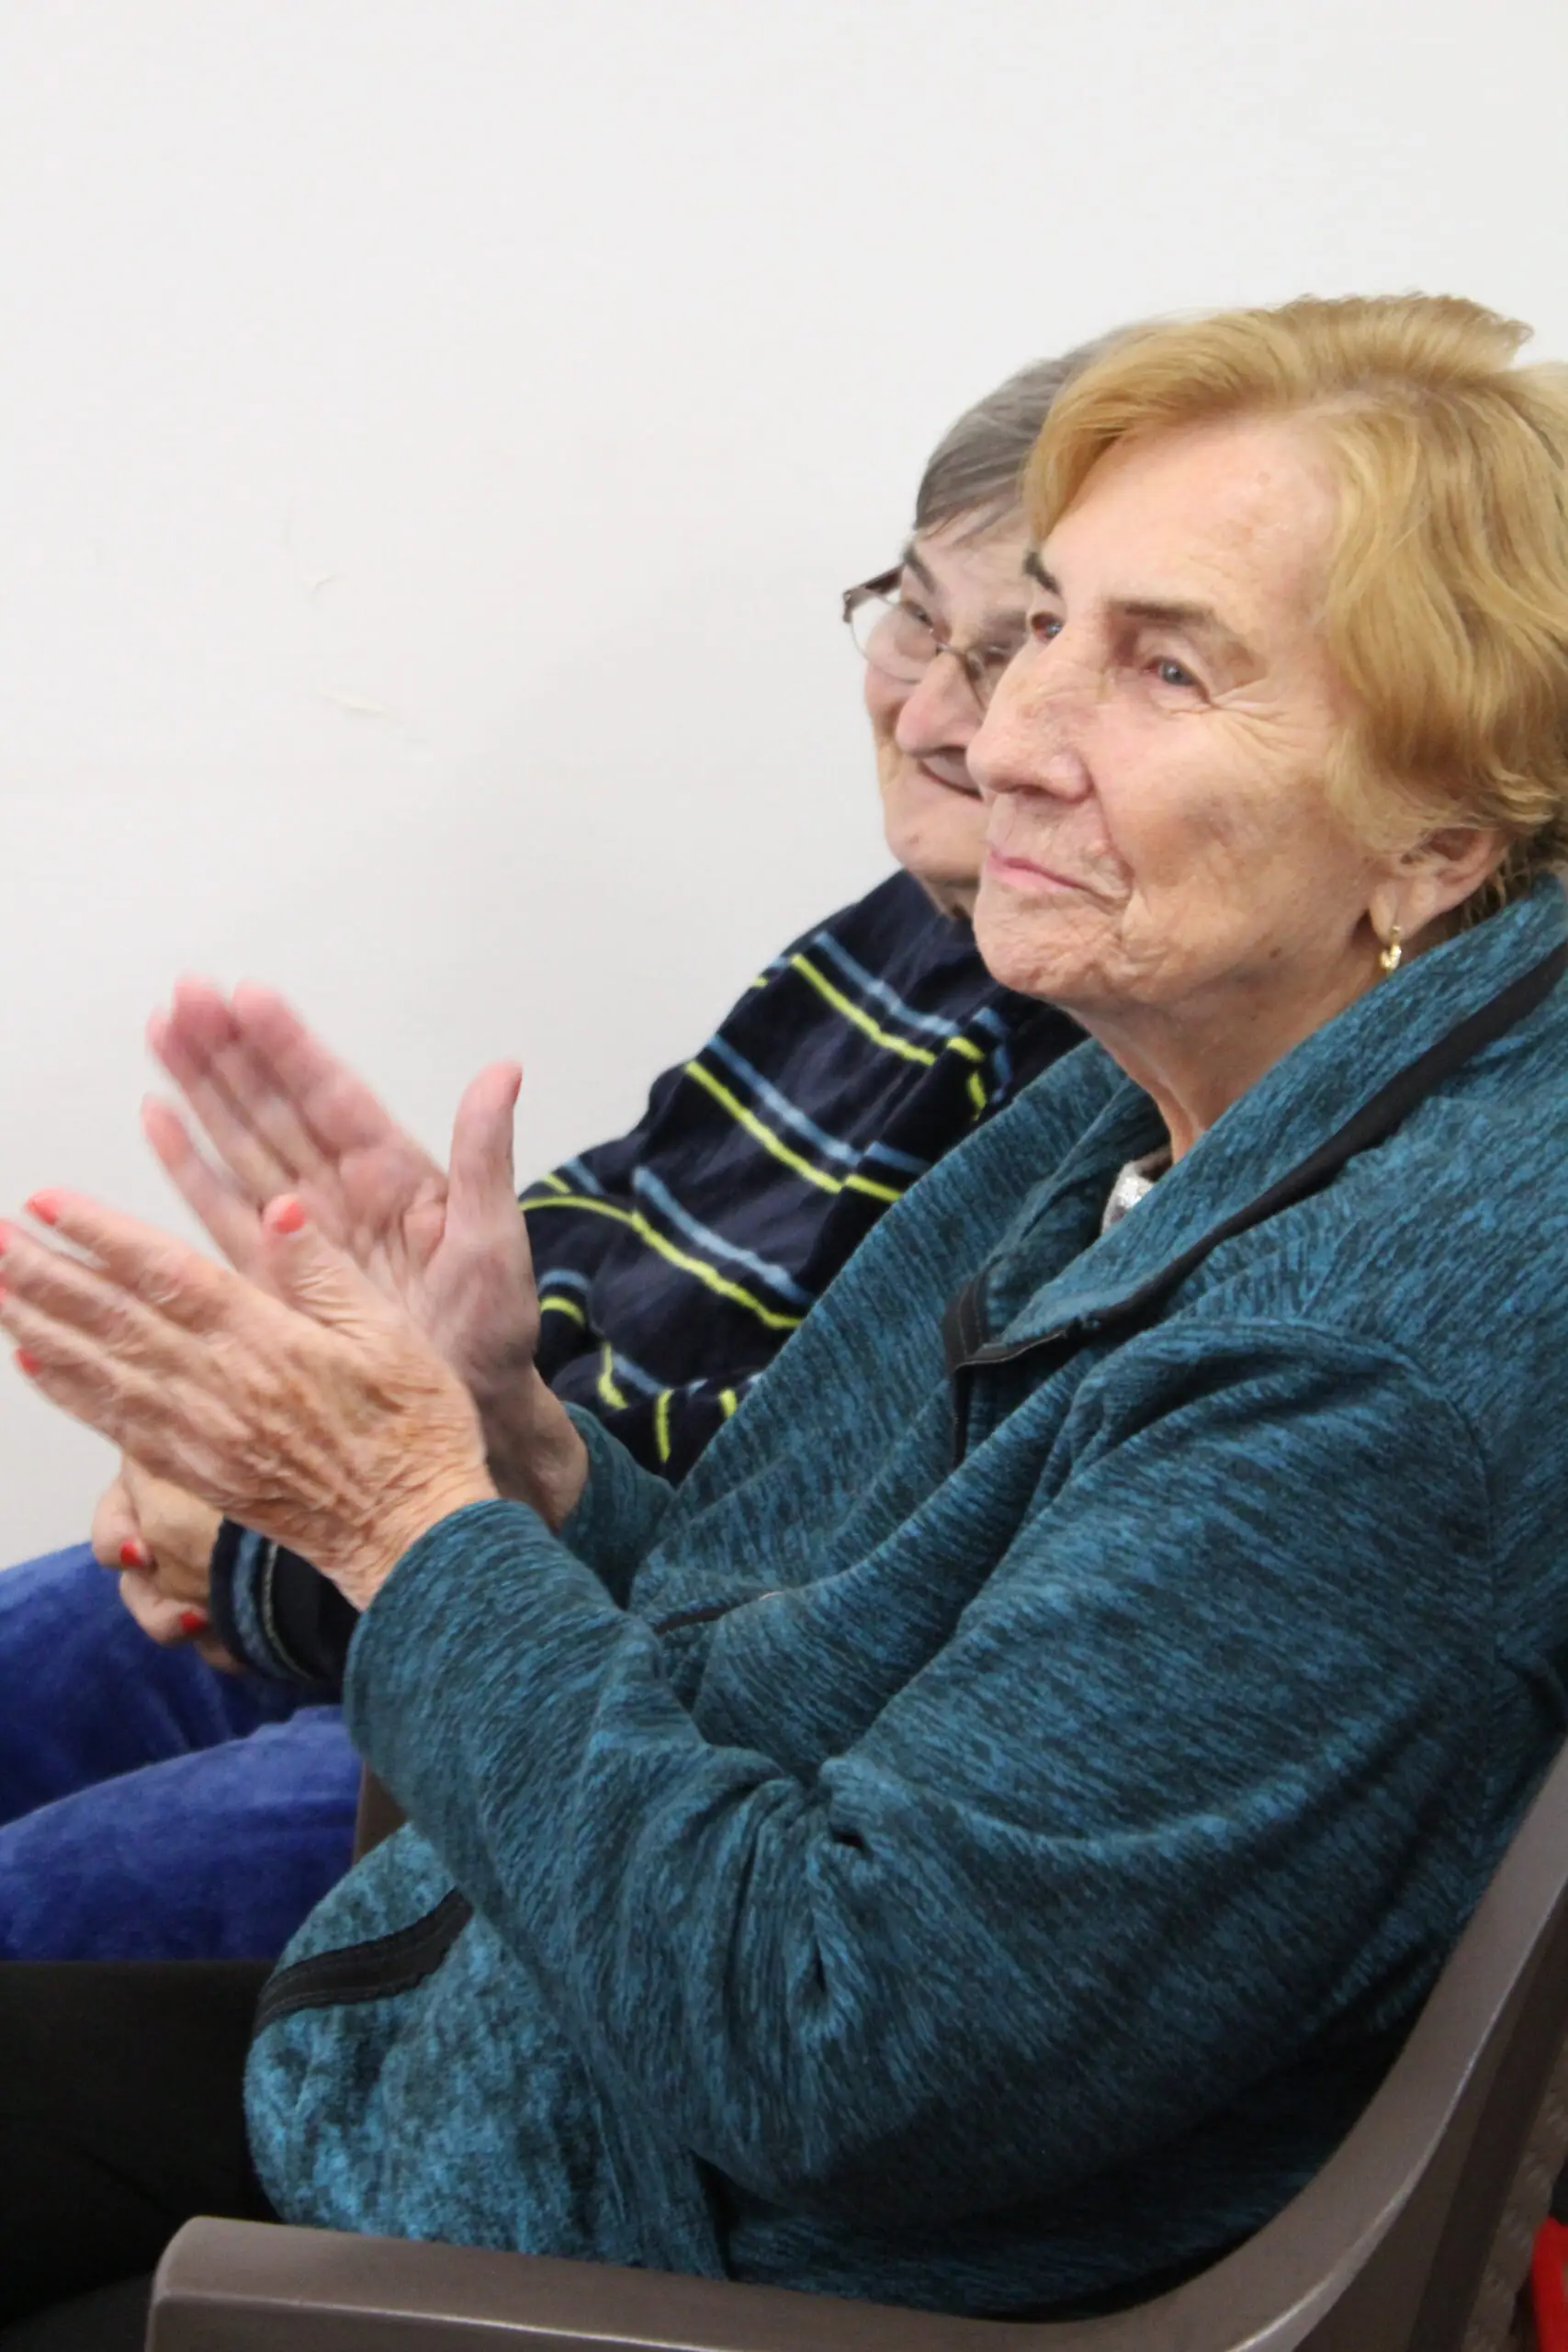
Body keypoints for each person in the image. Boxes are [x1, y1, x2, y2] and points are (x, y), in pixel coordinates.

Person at [6, 291, 1568, 2339]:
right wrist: (512, 1450)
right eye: (1035, 628)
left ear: (1438, 836)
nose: (997, 737)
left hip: (671, 2259)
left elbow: (839, 2041)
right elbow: (794, 1636)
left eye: (1164, 667)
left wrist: (401, 1518)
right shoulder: (1145, 1096)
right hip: (517, 2071)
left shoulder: (1362, 1373)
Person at [0, 352, 1093, 1964]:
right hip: (442, 1551)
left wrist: (313, 1519)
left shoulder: (1105, 1074)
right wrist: (337, 1369)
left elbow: (784, 1558)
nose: (934, 715)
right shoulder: (911, 927)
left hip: (602, 1729)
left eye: (1012, 656)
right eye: (917, 620)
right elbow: (606, 1219)